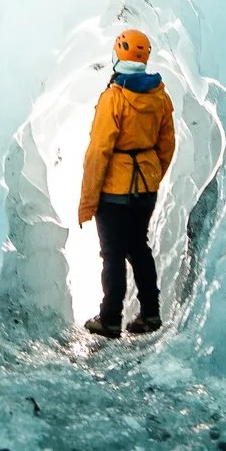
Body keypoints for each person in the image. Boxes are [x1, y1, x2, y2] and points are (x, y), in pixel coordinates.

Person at [77, 28, 176, 338]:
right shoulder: (160, 95)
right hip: (145, 186)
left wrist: (88, 200)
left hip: (115, 190)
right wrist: (151, 174)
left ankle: (109, 319)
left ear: (118, 54)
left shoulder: (114, 98)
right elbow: (167, 143)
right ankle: (150, 314)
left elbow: (99, 150)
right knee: (139, 249)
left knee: (113, 254)